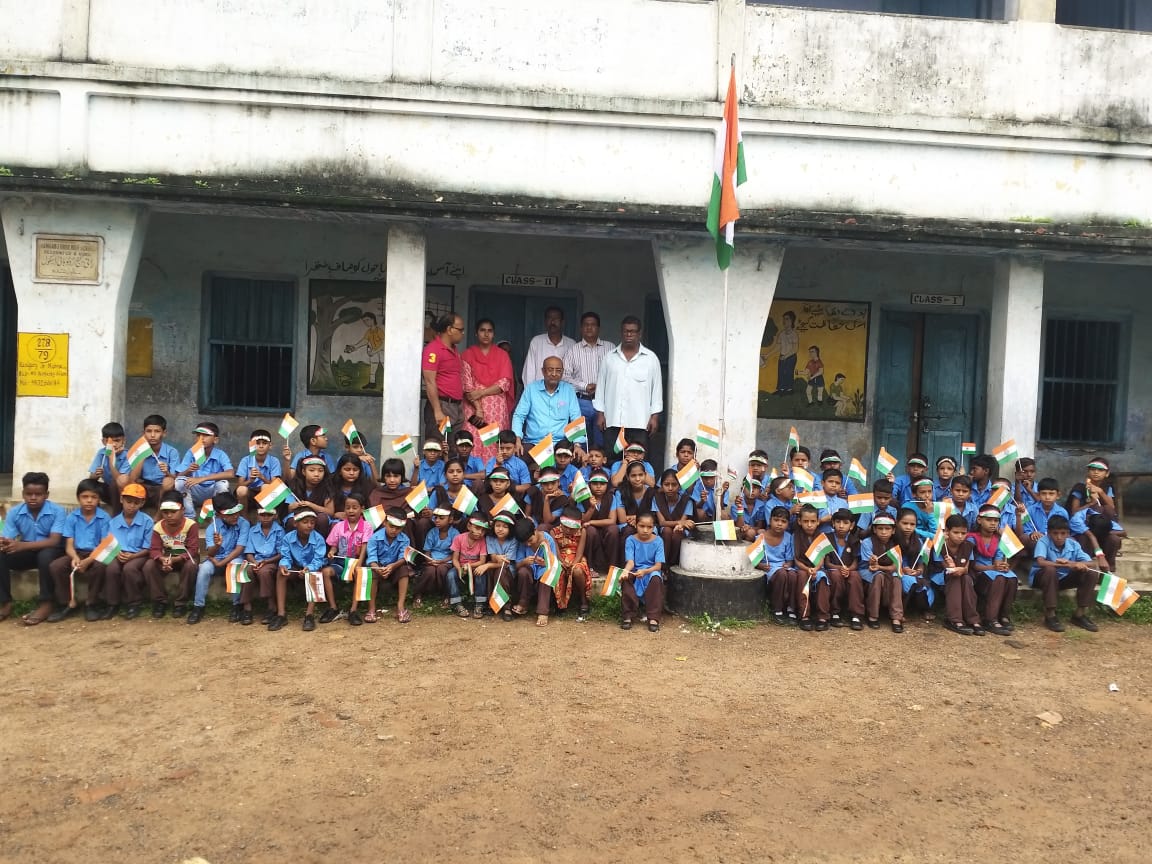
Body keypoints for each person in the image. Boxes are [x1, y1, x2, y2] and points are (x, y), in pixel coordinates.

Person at [0, 471, 66, 626]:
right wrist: (4, 542)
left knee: (45, 555)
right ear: (23, 494)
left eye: (38, 494)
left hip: (52, 551)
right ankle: (5, 602)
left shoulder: (58, 511)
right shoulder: (15, 512)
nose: (33, 498)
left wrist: (22, 545)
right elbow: (8, 536)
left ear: (46, 495)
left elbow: (54, 541)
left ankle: (46, 603)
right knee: (1, 555)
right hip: (28, 552)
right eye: (29, 494)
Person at [47, 479, 113, 622]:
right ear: (78, 498)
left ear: (99, 499)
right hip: (76, 552)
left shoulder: (104, 517)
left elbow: (104, 545)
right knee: (56, 566)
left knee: (101, 566)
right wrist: (75, 557)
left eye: (94, 497)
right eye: (85, 497)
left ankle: (91, 603)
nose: (89, 501)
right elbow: (69, 545)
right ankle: (68, 603)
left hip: (96, 554)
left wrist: (88, 560)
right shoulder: (72, 517)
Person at [594, 316, 663, 450]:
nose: (629, 334)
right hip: (613, 420)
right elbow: (601, 388)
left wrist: (654, 417)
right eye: (626, 331)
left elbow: (657, 391)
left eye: (633, 331)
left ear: (639, 334)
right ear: (621, 332)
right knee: (612, 458)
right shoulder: (609, 358)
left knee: (638, 460)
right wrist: (600, 414)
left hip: (640, 422)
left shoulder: (651, 359)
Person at [1029, 515, 1097, 634]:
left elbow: (1092, 563)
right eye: (1055, 533)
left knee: (1090, 572)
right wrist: (1065, 565)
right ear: (1049, 533)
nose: (1059, 537)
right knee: (1050, 570)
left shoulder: (1073, 544)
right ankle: (1050, 615)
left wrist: (1075, 564)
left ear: (1068, 534)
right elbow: (1041, 562)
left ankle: (1080, 614)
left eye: (1063, 533)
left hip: (1064, 579)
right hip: (1043, 579)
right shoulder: (1043, 541)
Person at [189, 492, 250, 625]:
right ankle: (198, 606)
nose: (235, 516)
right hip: (216, 558)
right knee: (204, 569)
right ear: (219, 514)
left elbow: (239, 549)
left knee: (235, 567)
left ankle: (237, 605)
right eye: (230, 514)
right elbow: (210, 553)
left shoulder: (244, 524)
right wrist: (217, 545)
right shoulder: (212, 528)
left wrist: (222, 563)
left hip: (235, 558)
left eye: (236, 512)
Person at [512, 356, 584, 466]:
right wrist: (517, 439)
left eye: (558, 370)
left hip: (560, 443)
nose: (554, 374)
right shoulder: (531, 389)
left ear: (562, 372)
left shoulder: (568, 390)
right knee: (516, 459)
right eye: (550, 370)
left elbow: (576, 418)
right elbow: (519, 415)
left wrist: (577, 444)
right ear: (543, 371)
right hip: (534, 442)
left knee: (577, 458)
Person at [461, 318, 516, 463]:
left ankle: (494, 471)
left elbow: (504, 383)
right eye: (482, 330)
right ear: (476, 333)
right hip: (473, 408)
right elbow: (467, 385)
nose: (486, 334)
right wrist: (478, 409)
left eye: (489, 331)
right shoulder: (467, 354)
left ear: (494, 334)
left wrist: (481, 392)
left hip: (496, 408)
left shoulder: (502, 355)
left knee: (493, 441)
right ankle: (474, 471)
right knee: (472, 439)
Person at [273, 510, 335, 632]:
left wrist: (309, 568)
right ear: (295, 524)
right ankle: (281, 614)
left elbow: (318, 560)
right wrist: (284, 565)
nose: (309, 525)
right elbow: (285, 556)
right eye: (305, 522)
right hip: (296, 568)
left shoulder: (318, 538)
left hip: (312, 568)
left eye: (312, 522)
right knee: (281, 573)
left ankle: (309, 615)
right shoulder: (288, 538)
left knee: (315, 573)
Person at [143, 492, 200, 619]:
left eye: (173, 512)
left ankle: (181, 603)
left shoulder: (191, 525)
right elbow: (154, 549)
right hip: (166, 559)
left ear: (182, 510)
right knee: (149, 565)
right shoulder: (158, 527)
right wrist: (162, 559)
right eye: (165, 512)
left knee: (191, 565)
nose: (169, 515)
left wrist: (174, 560)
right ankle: (160, 601)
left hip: (185, 558)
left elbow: (193, 550)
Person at [562, 311, 615, 449]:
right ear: (581, 328)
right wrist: (585, 386)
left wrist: (601, 387)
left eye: (593, 325)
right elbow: (564, 376)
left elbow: (617, 374)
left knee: (601, 443)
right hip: (580, 402)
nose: (589, 328)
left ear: (599, 328)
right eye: (586, 325)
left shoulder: (610, 348)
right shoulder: (573, 350)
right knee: (580, 442)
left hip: (604, 403)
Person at [103, 484, 154, 620]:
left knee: (129, 569)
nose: (131, 506)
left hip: (139, 554)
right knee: (111, 568)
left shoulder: (147, 522)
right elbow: (109, 543)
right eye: (129, 501)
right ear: (121, 500)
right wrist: (116, 553)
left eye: (136, 503)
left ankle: (134, 603)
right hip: (118, 553)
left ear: (142, 503)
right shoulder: (113, 522)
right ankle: (112, 604)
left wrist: (133, 556)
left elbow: (148, 548)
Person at [326, 492, 373, 624]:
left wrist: (359, 563)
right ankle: (333, 608)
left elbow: (364, 547)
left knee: (360, 573)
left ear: (362, 509)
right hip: (341, 562)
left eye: (354, 507)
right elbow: (334, 546)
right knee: (326, 572)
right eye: (348, 507)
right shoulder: (338, 526)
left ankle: (353, 610)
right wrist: (331, 552)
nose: (351, 510)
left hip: (357, 561)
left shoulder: (367, 526)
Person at [934, 514, 983, 636]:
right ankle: (954, 619)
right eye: (956, 532)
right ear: (947, 531)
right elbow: (945, 568)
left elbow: (966, 569)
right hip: (941, 578)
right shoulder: (939, 545)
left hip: (961, 576)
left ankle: (972, 619)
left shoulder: (968, 546)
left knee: (966, 578)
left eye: (963, 533)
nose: (960, 536)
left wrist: (960, 569)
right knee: (955, 577)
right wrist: (951, 566)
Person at [422, 313, 467, 444]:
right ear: (449, 329)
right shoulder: (433, 350)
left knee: (452, 448)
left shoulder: (454, 349)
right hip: (442, 405)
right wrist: (437, 411)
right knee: (437, 447)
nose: (463, 333)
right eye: (460, 330)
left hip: (456, 406)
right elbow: (429, 382)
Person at [174, 423, 233, 519]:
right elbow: (178, 475)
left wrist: (203, 478)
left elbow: (230, 473)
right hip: (194, 492)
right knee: (179, 482)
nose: (201, 438)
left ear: (215, 440)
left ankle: (217, 516)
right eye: (198, 435)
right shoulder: (191, 452)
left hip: (213, 493)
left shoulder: (220, 454)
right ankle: (189, 516)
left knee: (223, 484)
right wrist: (188, 470)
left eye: (206, 435)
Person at [858, 514, 904, 632]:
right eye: (880, 528)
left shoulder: (895, 545)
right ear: (874, 529)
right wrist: (873, 562)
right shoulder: (867, 542)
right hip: (868, 571)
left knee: (896, 579)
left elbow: (895, 566)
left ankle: (896, 617)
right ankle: (872, 615)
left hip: (887, 571)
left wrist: (880, 567)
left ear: (893, 530)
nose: (884, 532)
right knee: (878, 577)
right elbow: (870, 565)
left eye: (887, 529)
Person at [621, 512, 665, 633]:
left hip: (651, 571)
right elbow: (630, 562)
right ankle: (628, 615)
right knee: (626, 578)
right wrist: (626, 571)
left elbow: (658, 565)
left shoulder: (658, 541)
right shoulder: (630, 540)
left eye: (649, 527)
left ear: (653, 527)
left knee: (656, 579)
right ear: (636, 525)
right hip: (636, 571)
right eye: (642, 526)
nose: (645, 530)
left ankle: (653, 618)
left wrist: (646, 571)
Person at [547, 507, 591, 623]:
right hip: (560, 558)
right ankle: (560, 603)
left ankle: (583, 600)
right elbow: (556, 552)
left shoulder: (582, 531)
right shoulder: (553, 532)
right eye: (565, 527)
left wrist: (573, 564)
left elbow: (580, 552)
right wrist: (562, 562)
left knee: (577, 570)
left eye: (572, 528)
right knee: (558, 571)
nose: (568, 530)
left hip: (577, 558)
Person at [754, 506, 796, 626]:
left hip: (783, 567)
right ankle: (777, 609)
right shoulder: (760, 538)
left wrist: (788, 564)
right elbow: (755, 561)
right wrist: (761, 566)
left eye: (783, 521)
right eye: (776, 520)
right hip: (769, 568)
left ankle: (791, 608)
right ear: (770, 520)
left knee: (793, 575)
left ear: (788, 524)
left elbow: (790, 559)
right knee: (782, 574)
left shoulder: (788, 537)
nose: (779, 524)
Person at [244, 504, 285, 626]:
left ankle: (271, 605)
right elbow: (249, 552)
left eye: (269, 515)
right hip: (256, 561)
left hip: (272, 561)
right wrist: (255, 562)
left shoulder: (279, 530)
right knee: (247, 571)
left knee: (264, 572)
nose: (266, 517)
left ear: (275, 516)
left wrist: (267, 562)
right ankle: (247, 607)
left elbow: (281, 553)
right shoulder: (253, 531)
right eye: (263, 515)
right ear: (258, 516)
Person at [128, 414, 181, 507]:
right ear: (143, 433)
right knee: (130, 484)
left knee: (168, 481)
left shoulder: (172, 452)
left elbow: (176, 478)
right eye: (149, 431)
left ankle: (158, 513)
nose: (152, 435)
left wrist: (167, 472)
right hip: (144, 487)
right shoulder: (139, 451)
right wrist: (142, 455)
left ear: (164, 433)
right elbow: (132, 479)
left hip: (162, 489)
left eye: (157, 431)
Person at [522, 306, 575, 388]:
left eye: (556, 318)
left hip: (564, 391)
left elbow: (574, 373)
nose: (552, 322)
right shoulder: (536, 342)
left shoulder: (571, 344)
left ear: (562, 322)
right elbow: (529, 371)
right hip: (539, 391)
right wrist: (531, 392)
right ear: (545, 321)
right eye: (549, 318)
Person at [451, 516, 489, 618]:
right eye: (477, 528)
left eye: (483, 530)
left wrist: (469, 566)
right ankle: (457, 603)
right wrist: (459, 569)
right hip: (460, 566)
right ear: (469, 526)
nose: (480, 532)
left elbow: (482, 561)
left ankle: (480, 604)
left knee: (480, 573)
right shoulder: (459, 538)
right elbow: (455, 559)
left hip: (475, 566)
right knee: (450, 575)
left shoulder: (482, 541)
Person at [235, 429, 282, 509]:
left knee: (266, 487)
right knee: (241, 490)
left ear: (270, 445)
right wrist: (250, 480)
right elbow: (240, 485)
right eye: (257, 443)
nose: (261, 446)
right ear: (251, 446)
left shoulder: (274, 461)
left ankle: (264, 514)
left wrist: (262, 477)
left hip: (268, 494)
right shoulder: (245, 460)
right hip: (249, 493)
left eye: (264, 443)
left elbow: (274, 486)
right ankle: (243, 515)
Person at [87, 421, 130, 506]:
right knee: (87, 484)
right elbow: (91, 478)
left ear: (123, 440)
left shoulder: (128, 455)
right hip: (108, 488)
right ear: (103, 441)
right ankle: (95, 509)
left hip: (123, 490)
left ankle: (116, 511)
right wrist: (96, 474)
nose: (113, 444)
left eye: (117, 441)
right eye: (109, 441)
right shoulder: (101, 453)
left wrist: (111, 458)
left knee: (114, 484)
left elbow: (120, 481)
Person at [344, 311, 386, 390]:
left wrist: (374, 351)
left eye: (367, 320)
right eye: (364, 321)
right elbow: (365, 340)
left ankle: (387, 385)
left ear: (372, 319)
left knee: (385, 367)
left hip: (382, 351)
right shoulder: (369, 331)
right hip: (373, 351)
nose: (365, 322)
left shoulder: (379, 330)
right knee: (373, 367)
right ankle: (372, 383)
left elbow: (384, 343)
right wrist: (355, 347)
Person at [768, 310, 798, 395]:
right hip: (782, 356)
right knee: (781, 372)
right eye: (784, 319)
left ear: (791, 320)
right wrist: (767, 355)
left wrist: (786, 356)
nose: (784, 321)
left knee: (788, 373)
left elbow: (795, 349)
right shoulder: (781, 334)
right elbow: (778, 347)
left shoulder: (794, 334)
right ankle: (780, 389)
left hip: (791, 357)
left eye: (787, 319)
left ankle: (789, 390)